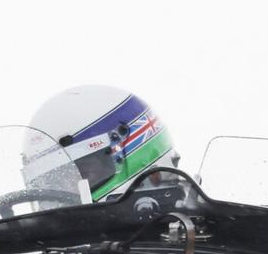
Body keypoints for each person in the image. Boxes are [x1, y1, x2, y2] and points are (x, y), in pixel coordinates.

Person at [24, 85, 180, 203]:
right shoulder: (55, 243)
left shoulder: (194, 238)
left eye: (83, 175)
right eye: (55, 183)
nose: (68, 192)